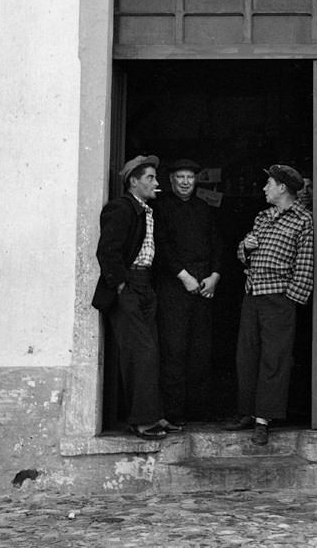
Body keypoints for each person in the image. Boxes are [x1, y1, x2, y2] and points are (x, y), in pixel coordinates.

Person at [224, 164, 314, 445]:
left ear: (282, 188)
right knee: (246, 355)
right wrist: (245, 247)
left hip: (278, 298)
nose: (264, 188)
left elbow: (305, 263)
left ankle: (264, 419)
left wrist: (290, 298)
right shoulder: (263, 217)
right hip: (252, 293)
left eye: (268, 184)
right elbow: (243, 252)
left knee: (274, 359)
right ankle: (247, 412)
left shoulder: (303, 220)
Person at [91, 154, 167, 439]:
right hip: (128, 286)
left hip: (144, 285)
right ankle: (142, 421)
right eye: (150, 178)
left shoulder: (145, 210)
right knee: (140, 353)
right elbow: (107, 251)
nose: (155, 183)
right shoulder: (121, 209)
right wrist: (121, 285)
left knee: (149, 352)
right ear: (133, 181)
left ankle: (152, 415)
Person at [154, 158, 223, 428]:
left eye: (190, 177)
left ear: (196, 180)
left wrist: (215, 276)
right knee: (174, 348)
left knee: (201, 349)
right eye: (180, 177)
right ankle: (174, 412)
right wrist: (183, 277)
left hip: (203, 283)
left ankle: (199, 411)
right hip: (175, 284)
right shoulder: (160, 208)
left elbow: (218, 243)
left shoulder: (205, 209)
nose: (185, 182)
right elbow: (162, 246)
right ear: (171, 180)